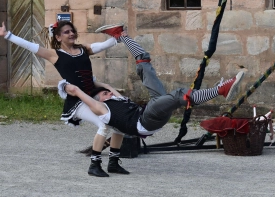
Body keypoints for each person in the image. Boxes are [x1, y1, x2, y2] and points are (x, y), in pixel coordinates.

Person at [58, 31, 245, 167]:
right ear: (100, 101)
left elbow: (108, 90)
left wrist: (105, 87)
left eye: (109, 93)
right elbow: (86, 97)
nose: (110, 94)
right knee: (179, 94)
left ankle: (121, 34)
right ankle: (221, 89)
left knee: (144, 64)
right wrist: (73, 90)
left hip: (152, 114)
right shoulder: (101, 108)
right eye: (105, 95)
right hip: (145, 121)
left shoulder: (118, 100)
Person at [0, 21, 129, 177]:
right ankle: (94, 165)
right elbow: (30, 46)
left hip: (92, 96)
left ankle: (114, 163)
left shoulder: (83, 50)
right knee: (103, 124)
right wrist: (7, 35)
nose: (71, 34)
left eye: (72, 31)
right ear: (57, 37)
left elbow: (103, 45)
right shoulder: (54, 54)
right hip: (77, 102)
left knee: (118, 124)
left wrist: (118, 37)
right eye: (66, 32)